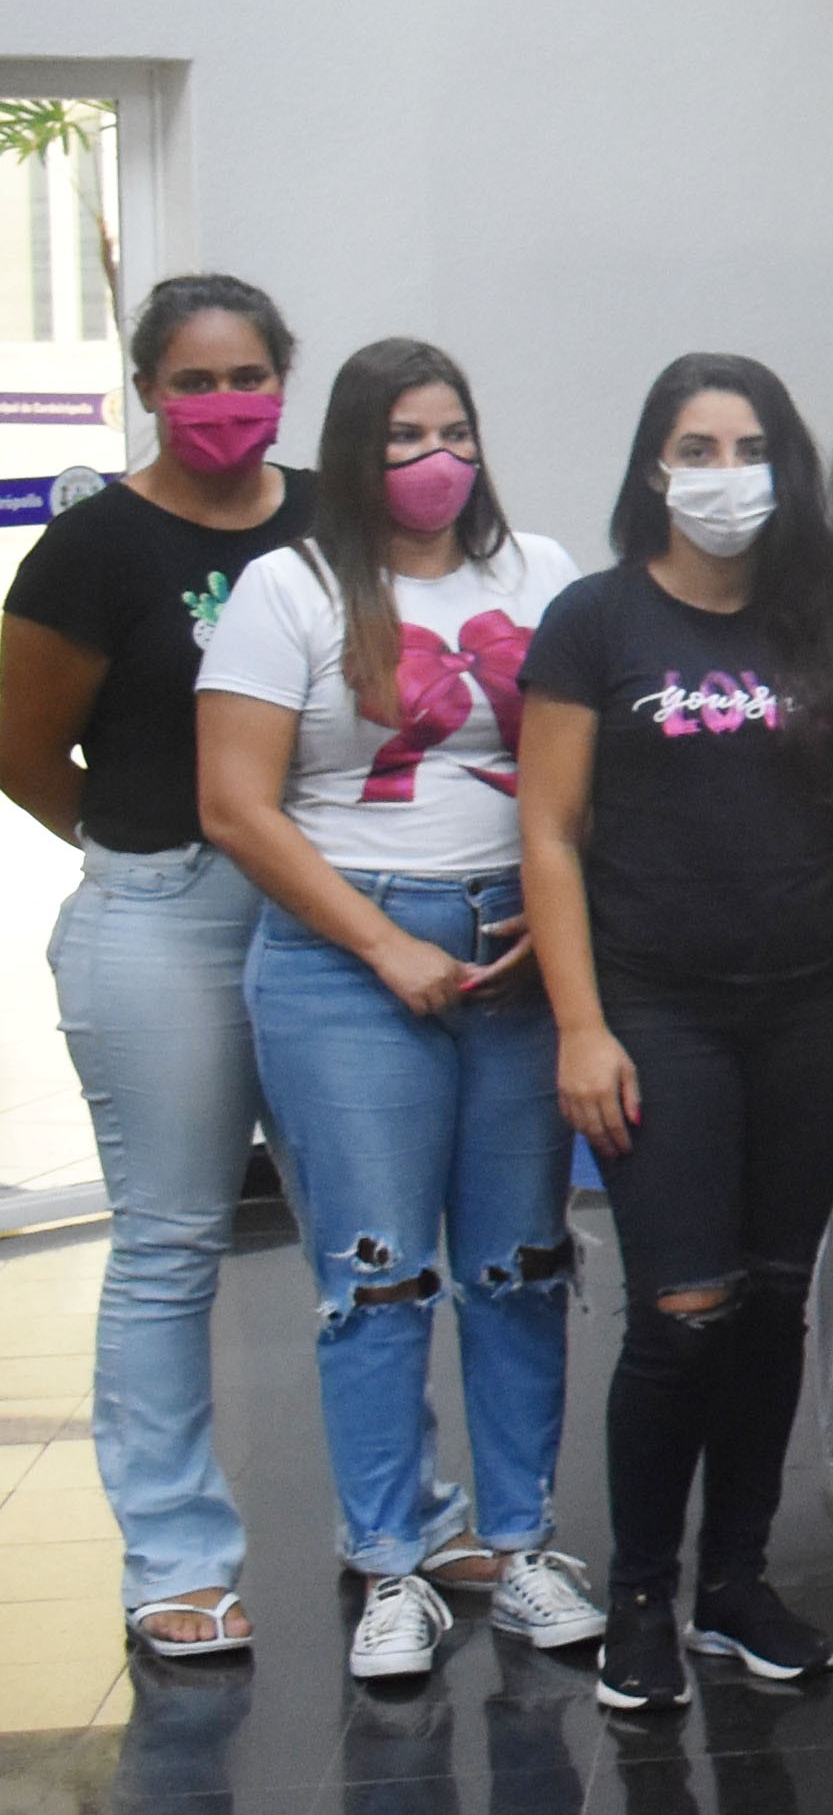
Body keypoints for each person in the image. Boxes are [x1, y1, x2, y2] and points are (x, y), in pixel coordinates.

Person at [191, 340, 599, 1683]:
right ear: (355, 453)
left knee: (521, 1265)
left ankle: (523, 1546)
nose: (437, 462)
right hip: (345, 963)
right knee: (376, 1277)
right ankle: (390, 1564)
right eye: (405, 439)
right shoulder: (290, 588)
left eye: (456, 434)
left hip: (516, 950)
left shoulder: (540, 572)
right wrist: (381, 946)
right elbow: (235, 805)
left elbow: (589, 768)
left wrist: (560, 920)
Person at [520, 356, 833, 1708]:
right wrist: (581, 1027)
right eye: (697, 447)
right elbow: (551, 834)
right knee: (683, 1312)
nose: (725, 473)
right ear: (654, 467)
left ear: (787, 469)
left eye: (750, 448)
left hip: (811, 1006)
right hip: (655, 1010)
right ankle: (640, 1593)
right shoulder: (594, 620)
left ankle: (734, 1584)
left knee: (774, 1304)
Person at [1, 275, 315, 1662]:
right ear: (147, 392)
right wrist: (146, 849)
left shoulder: (334, 521)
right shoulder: (91, 549)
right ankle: (178, 1561)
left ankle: (406, 1531)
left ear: (284, 383)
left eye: (248, 376)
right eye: (194, 381)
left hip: (327, 913)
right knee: (173, 1244)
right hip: (164, 917)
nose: (224, 403)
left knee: (369, 1242)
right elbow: (19, 746)